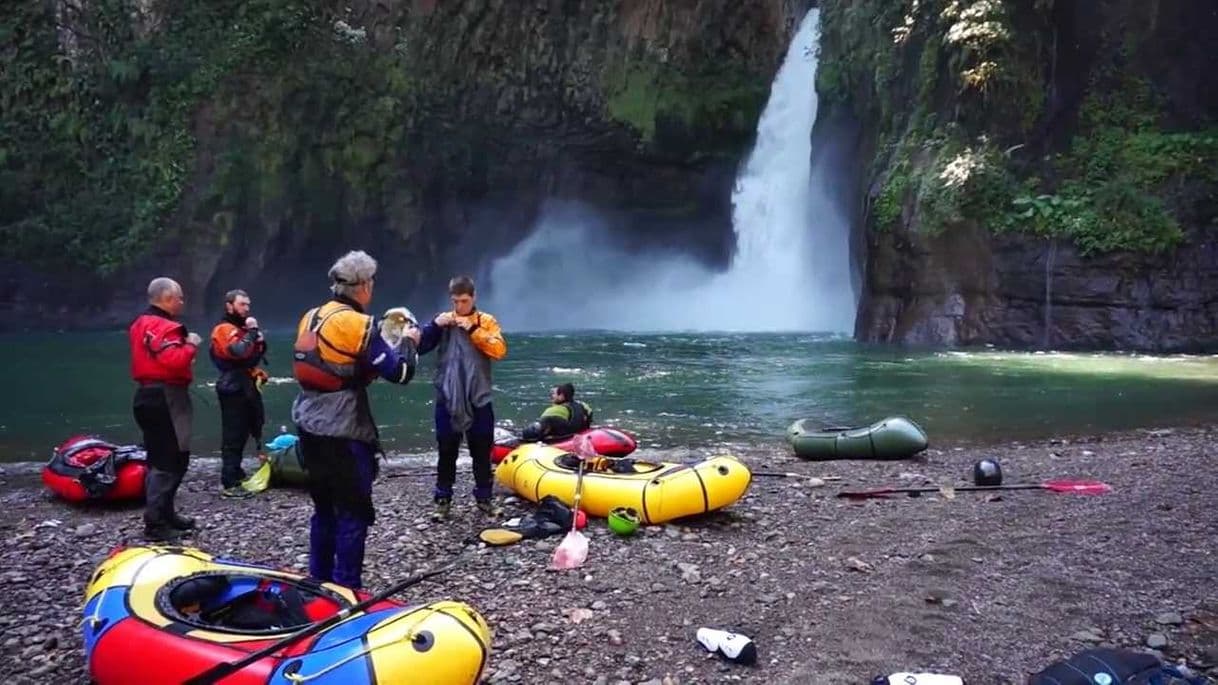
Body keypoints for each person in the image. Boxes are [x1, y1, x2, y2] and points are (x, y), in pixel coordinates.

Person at [291, 250, 421, 590]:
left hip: (308, 422)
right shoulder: (358, 324)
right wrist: (408, 342)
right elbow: (401, 372)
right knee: (353, 512)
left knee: (323, 508)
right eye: (372, 282)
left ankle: (317, 583)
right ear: (362, 286)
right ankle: (347, 589)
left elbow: (334, 364)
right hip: (342, 429)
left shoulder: (311, 316)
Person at [416, 275, 507, 520]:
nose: (459, 307)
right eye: (455, 301)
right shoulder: (443, 322)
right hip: (448, 396)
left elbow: (499, 349)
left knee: (481, 451)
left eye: (464, 301)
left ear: (473, 298)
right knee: (446, 451)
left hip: (479, 397)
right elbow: (420, 346)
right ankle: (443, 501)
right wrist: (434, 325)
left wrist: (474, 330)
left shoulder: (486, 321)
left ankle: (485, 499)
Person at [129, 277, 201, 541]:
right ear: (168, 298)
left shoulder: (139, 324)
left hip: (145, 394)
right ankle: (156, 524)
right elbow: (174, 360)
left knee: (158, 458)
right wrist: (191, 343)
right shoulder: (167, 326)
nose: (182, 302)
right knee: (172, 459)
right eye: (180, 297)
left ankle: (166, 514)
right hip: (166, 396)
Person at [209, 289, 268, 498]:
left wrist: (258, 341)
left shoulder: (240, 329)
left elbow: (251, 355)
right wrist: (252, 333)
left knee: (250, 427)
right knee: (233, 433)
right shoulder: (223, 329)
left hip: (246, 383)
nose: (246, 308)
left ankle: (238, 471)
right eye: (242, 304)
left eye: (248, 305)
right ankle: (229, 480)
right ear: (229, 306)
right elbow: (238, 351)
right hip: (232, 386)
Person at [522, 383, 593, 442]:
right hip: (580, 433)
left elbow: (543, 426)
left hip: (562, 439)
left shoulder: (555, 410)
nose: (552, 396)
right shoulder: (584, 405)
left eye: (554, 394)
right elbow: (589, 416)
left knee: (531, 429)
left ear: (561, 396)